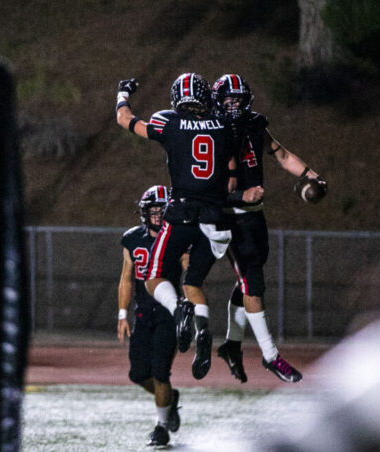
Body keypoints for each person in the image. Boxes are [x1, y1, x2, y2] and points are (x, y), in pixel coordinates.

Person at [116, 73, 238, 381]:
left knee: (153, 276)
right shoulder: (224, 125)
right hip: (216, 220)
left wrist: (123, 94)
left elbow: (125, 120)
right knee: (193, 283)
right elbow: (232, 175)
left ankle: (178, 311)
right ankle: (202, 328)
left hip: (183, 214)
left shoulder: (168, 121)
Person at [211, 73, 327, 383]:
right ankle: (271, 356)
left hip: (254, 215)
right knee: (252, 283)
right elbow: (207, 187)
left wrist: (311, 175)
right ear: (218, 103)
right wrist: (240, 196)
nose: (234, 106)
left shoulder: (254, 124)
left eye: (238, 100)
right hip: (230, 216)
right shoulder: (211, 131)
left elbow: (282, 154)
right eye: (228, 101)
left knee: (248, 281)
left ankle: (232, 345)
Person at [117, 185, 183, 447]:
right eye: (153, 210)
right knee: (138, 374)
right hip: (143, 312)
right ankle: (170, 399)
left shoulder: (178, 238)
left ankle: (161, 426)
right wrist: (122, 313)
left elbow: (190, 272)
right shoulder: (133, 238)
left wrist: (191, 308)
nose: (157, 215)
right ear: (145, 212)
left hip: (168, 312)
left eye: (162, 210)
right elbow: (126, 278)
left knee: (160, 372)